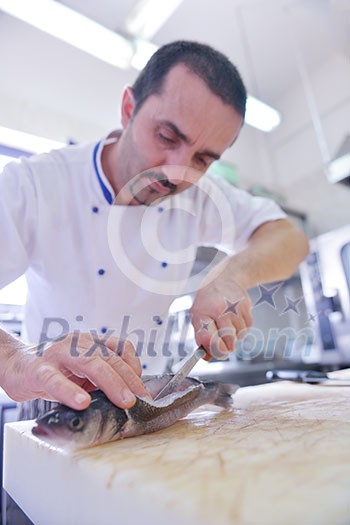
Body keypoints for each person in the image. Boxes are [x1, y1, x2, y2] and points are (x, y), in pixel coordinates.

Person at [0, 40, 309, 414]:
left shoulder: (197, 196)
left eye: (203, 158)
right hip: (57, 403)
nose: (177, 171)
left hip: (154, 400)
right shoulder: (34, 185)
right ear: (128, 109)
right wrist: (17, 359)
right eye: (167, 137)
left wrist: (231, 276)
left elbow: (289, 238)